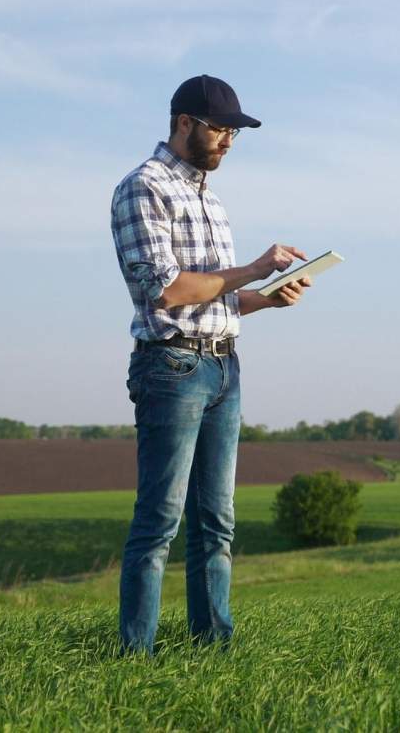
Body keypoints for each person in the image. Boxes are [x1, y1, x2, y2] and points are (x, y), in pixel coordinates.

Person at [110, 74, 311, 655]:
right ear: (183, 123)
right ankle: (135, 657)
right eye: (220, 129)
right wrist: (252, 270)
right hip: (171, 370)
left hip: (225, 367)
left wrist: (266, 297)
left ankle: (212, 649)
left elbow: (213, 293)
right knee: (159, 524)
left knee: (216, 523)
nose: (228, 141)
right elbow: (165, 291)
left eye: (234, 133)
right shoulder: (142, 188)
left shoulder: (209, 199)